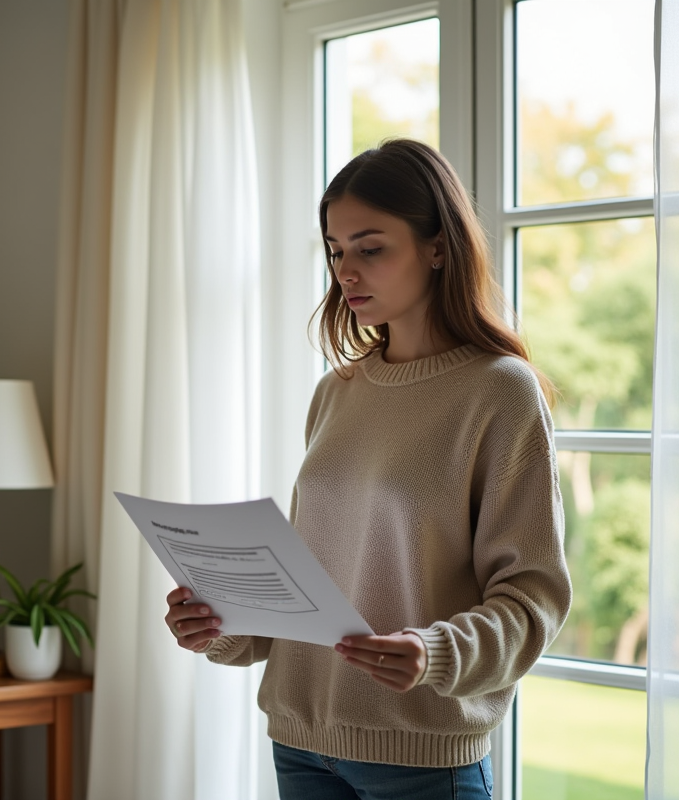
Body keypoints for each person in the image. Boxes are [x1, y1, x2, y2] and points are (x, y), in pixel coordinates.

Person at [163, 138, 573, 800]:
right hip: (301, 744)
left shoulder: (499, 391)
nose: (345, 270)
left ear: (437, 246)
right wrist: (221, 623)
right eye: (335, 250)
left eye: (370, 247)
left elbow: (534, 600)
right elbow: (317, 584)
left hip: (423, 758)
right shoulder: (337, 391)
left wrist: (436, 652)